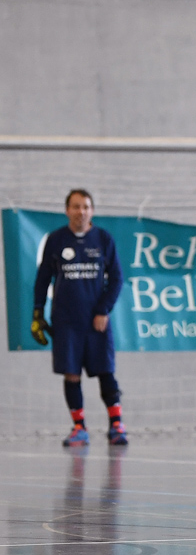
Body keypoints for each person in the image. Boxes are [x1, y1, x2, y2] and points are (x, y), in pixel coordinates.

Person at [32, 189, 128, 447]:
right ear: (67, 211)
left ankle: (117, 425)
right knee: (71, 374)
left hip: (96, 322)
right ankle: (79, 428)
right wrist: (37, 311)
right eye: (75, 207)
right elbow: (42, 279)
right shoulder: (56, 240)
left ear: (92, 211)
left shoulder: (103, 239)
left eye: (85, 206)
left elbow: (117, 279)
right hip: (66, 322)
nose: (81, 211)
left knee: (106, 371)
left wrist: (103, 310)